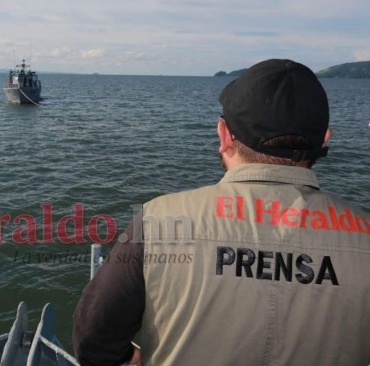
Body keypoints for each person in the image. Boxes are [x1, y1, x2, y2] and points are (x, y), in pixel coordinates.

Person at [73, 59, 370, 366]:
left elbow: (93, 338)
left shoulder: (158, 220)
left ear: (224, 134)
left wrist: (130, 357)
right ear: (325, 139)